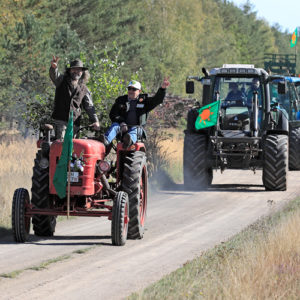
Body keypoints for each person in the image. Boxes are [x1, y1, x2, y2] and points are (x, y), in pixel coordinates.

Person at [101, 77, 170, 147]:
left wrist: (162, 89)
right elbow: (113, 114)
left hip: (137, 129)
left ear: (139, 91)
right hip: (122, 128)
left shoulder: (144, 101)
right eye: (129, 89)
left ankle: (128, 141)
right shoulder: (121, 100)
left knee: (135, 130)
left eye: (134, 89)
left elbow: (157, 100)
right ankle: (105, 141)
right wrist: (121, 122)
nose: (131, 91)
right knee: (115, 125)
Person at [49, 56, 100, 140]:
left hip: (75, 123)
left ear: (83, 72)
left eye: (79, 70)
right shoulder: (61, 80)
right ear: (69, 70)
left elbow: (89, 107)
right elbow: (54, 75)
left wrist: (95, 121)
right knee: (61, 144)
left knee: (74, 147)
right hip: (61, 120)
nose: (77, 72)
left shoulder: (84, 89)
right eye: (74, 69)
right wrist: (54, 68)